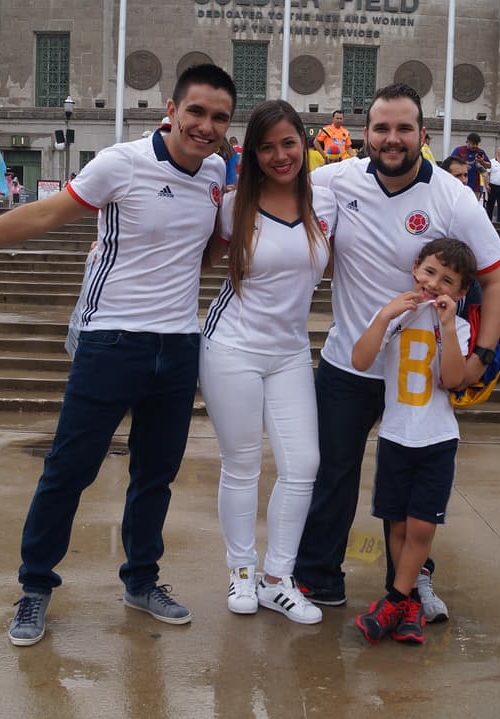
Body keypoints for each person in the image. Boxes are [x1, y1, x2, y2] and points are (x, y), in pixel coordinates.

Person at [0, 64, 235, 647]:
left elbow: (204, 249)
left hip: (178, 346)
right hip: (111, 341)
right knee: (69, 470)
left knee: (155, 476)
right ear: (171, 108)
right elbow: (45, 213)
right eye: (196, 112)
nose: (206, 126)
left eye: (219, 117)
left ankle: (142, 582)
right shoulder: (124, 162)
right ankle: (35, 589)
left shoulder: (216, 172)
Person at [294, 83, 500, 623]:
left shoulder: (452, 196)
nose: (392, 139)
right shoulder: (331, 180)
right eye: (381, 128)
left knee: (410, 489)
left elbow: (499, 278)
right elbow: (268, 204)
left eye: (403, 129)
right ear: (363, 133)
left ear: (423, 134)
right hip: (351, 360)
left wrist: (481, 356)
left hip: (418, 371)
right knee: (331, 473)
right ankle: (317, 576)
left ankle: (410, 586)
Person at [201, 100, 337, 625]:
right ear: (252, 153)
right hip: (231, 346)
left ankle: (278, 579)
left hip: (290, 353)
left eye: (289, 143)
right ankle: (241, 571)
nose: (280, 155)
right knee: (242, 465)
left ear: (305, 144)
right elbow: (188, 254)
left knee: (303, 465)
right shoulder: (231, 207)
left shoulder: (327, 202)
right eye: (266, 146)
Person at [350, 238, 476, 644]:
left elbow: (454, 380)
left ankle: (394, 599)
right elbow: (361, 360)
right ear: (416, 268)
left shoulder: (458, 325)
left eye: (448, 280)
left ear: (460, 292)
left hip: (436, 439)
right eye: (430, 272)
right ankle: (407, 607)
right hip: (396, 436)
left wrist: (446, 327)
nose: (436, 284)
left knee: (422, 528)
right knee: (398, 526)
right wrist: (385, 317)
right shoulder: (396, 314)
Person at [450, 132, 491, 200]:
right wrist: (462, 164)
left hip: (475, 186)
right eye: (473, 143)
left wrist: (482, 161)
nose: (475, 146)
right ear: (467, 142)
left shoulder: (480, 152)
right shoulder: (459, 150)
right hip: (459, 184)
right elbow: (450, 162)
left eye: (476, 144)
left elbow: (489, 166)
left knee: (473, 204)